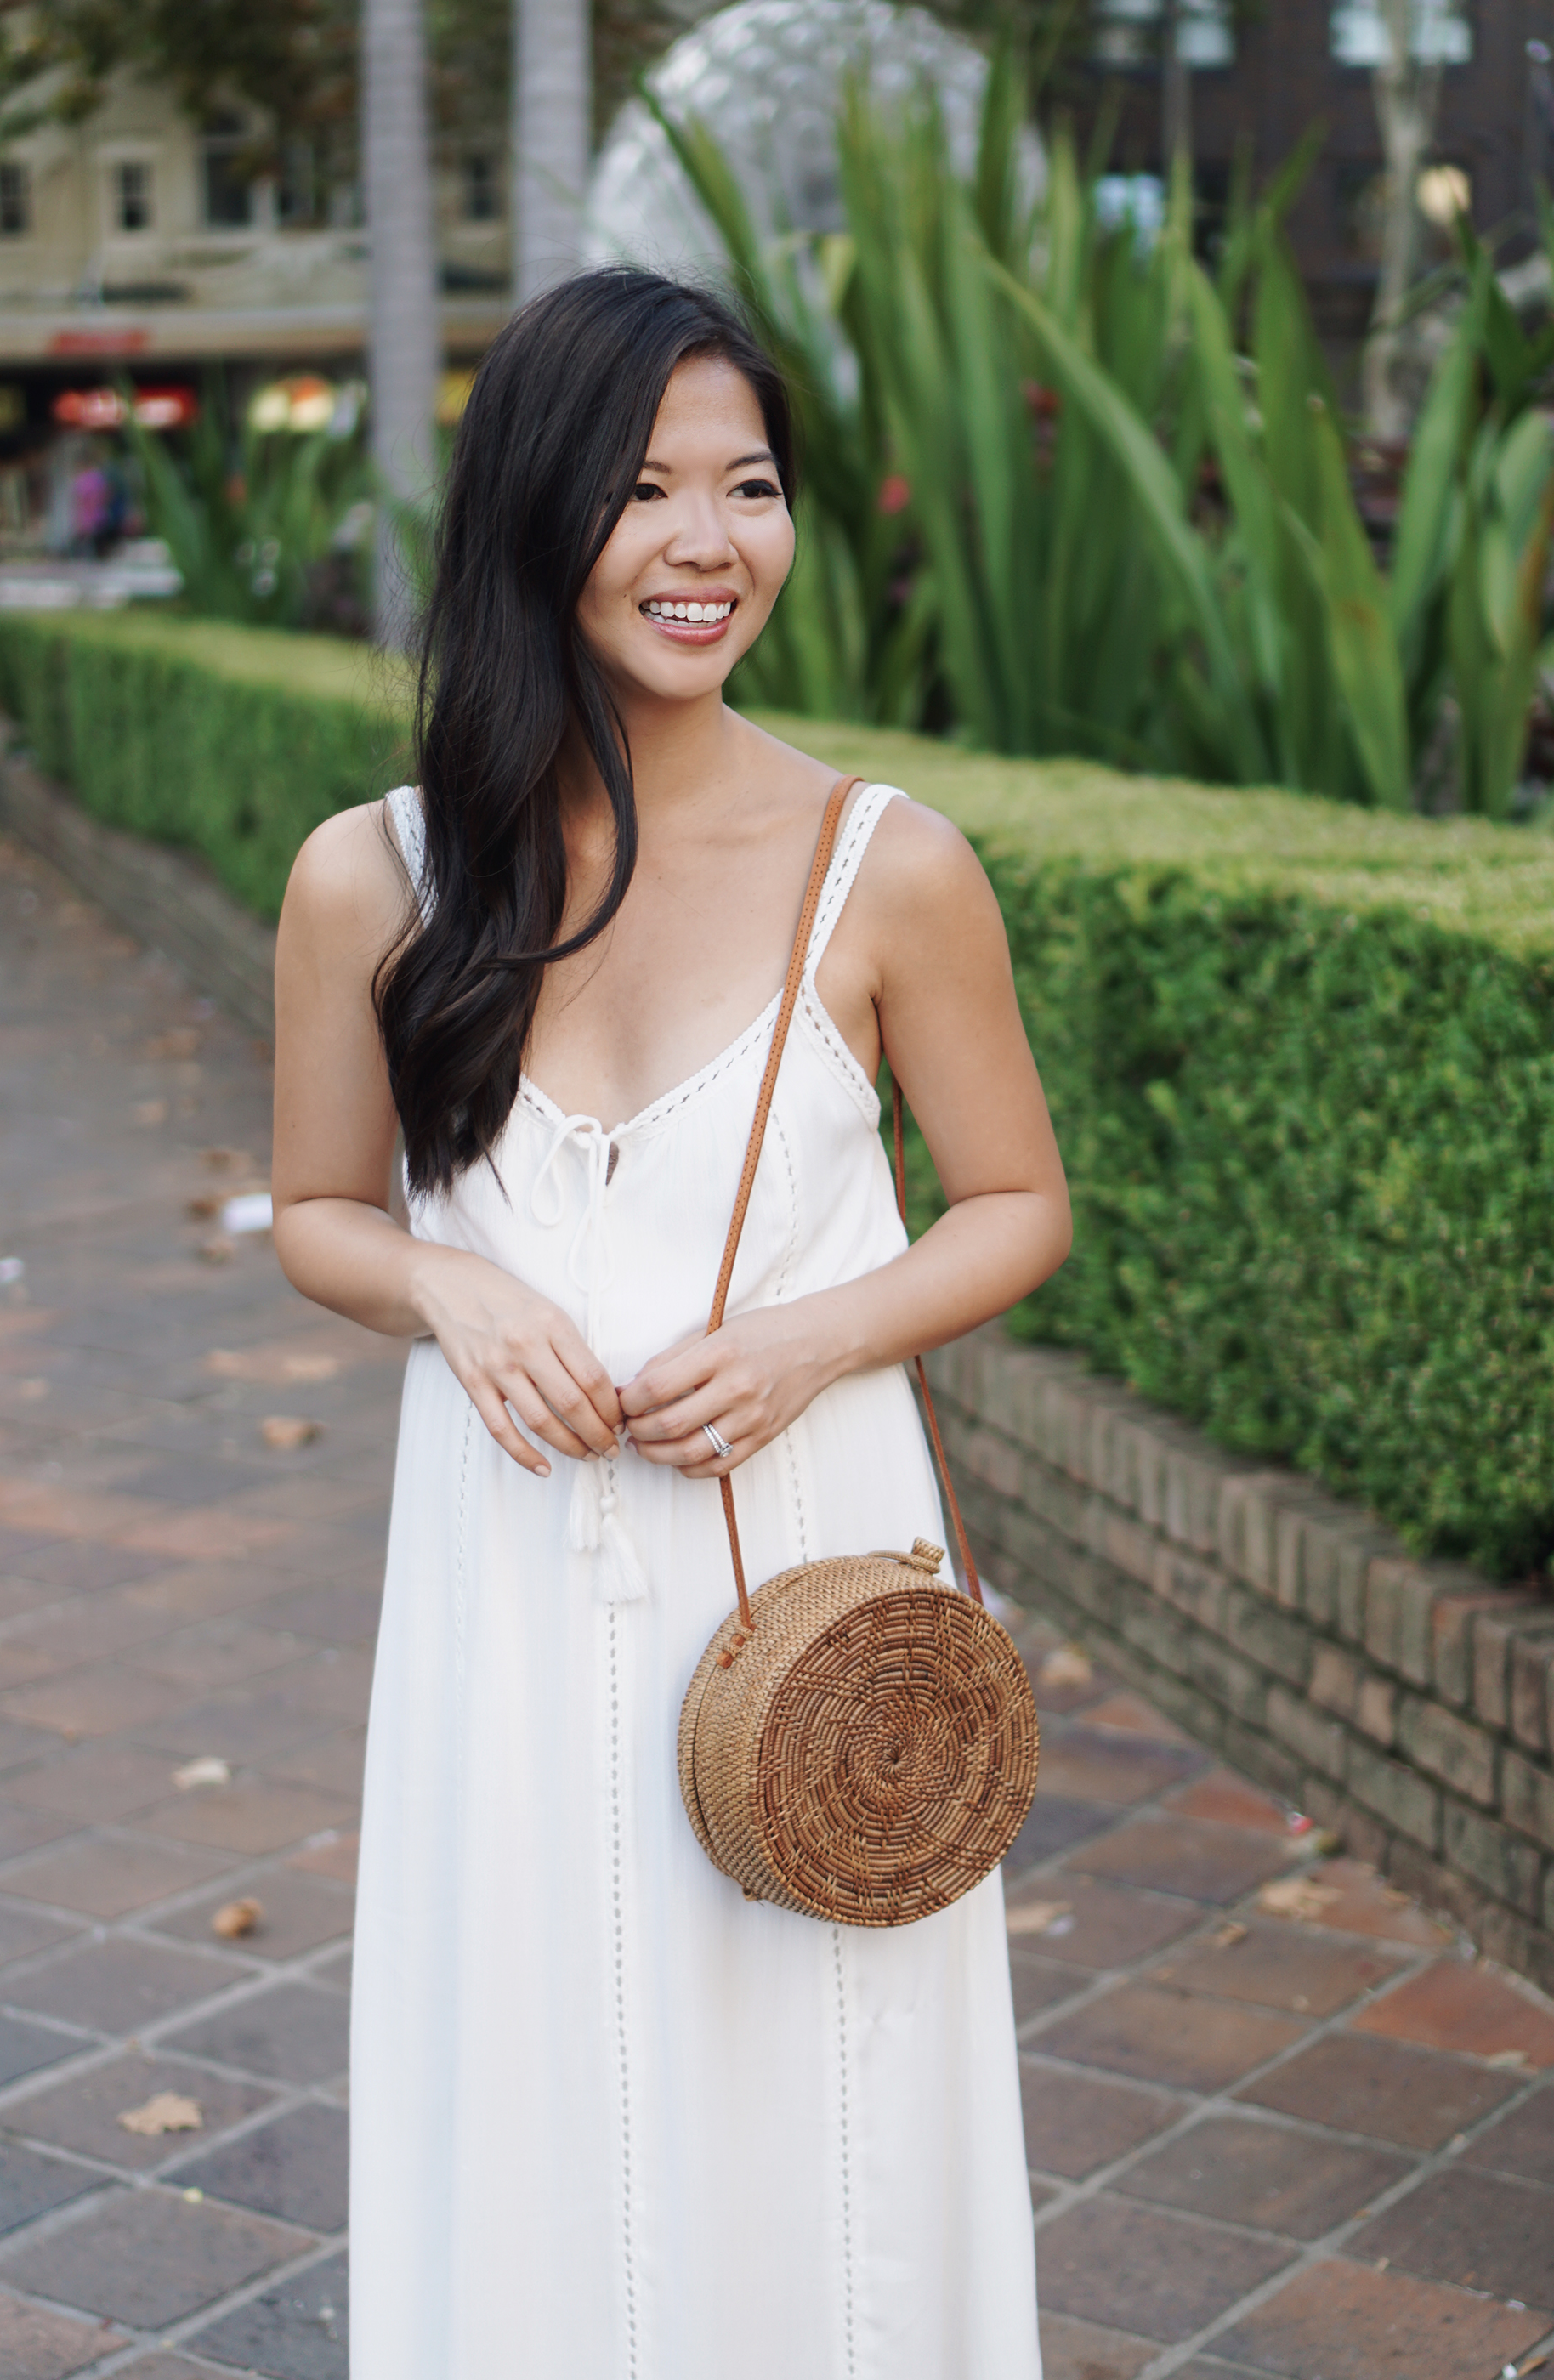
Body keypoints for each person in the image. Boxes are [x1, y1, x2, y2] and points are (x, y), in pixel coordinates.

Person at [272, 267, 1071, 2380]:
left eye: (749, 486)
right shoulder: (374, 875)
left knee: (826, 2052)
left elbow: (1015, 1203)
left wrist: (819, 1334)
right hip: (510, 1556)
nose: (708, 544)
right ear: (539, 512)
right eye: (642, 489)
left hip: (804, 1554)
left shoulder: (886, 864)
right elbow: (326, 1213)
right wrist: (445, 1280)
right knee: (529, 2034)